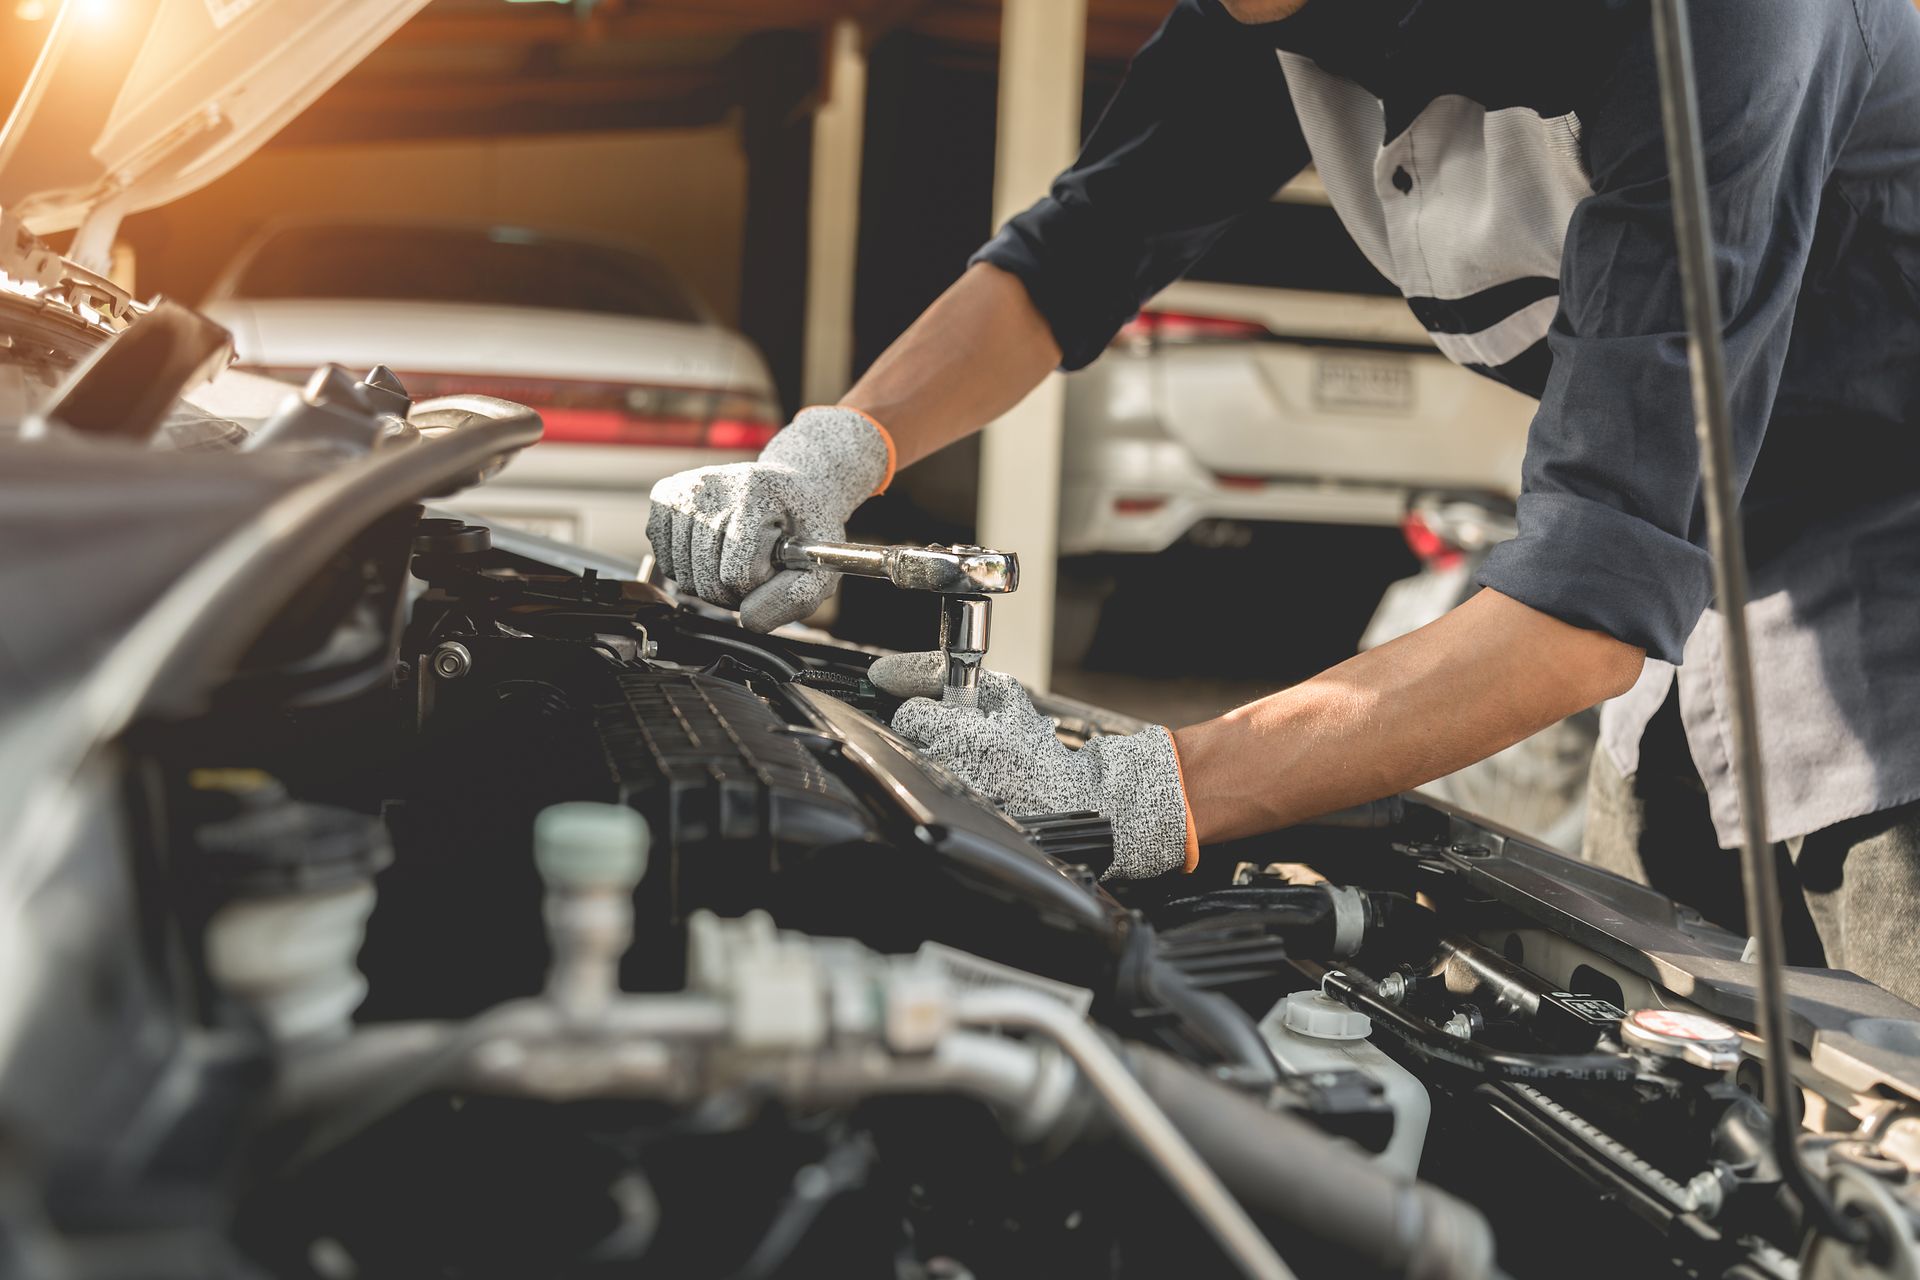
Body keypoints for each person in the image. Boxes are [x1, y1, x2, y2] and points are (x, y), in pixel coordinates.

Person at [648, 0, 1920, 1000]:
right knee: (1644, 1067)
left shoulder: (1711, 22)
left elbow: (1584, 610)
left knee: (1877, 1129)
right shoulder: (1275, 23)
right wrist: (824, 453)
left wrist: (1154, 788)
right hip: (1687, 607)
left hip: (1889, 632)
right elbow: (1072, 256)